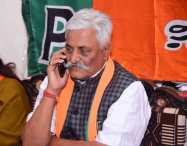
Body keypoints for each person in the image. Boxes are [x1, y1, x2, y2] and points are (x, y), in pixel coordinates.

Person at [22, 8, 151, 146]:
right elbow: (31, 142)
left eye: (84, 51)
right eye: (69, 49)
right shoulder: (57, 78)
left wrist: (50, 142)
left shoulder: (128, 89)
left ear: (106, 50)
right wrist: (52, 91)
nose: (73, 58)